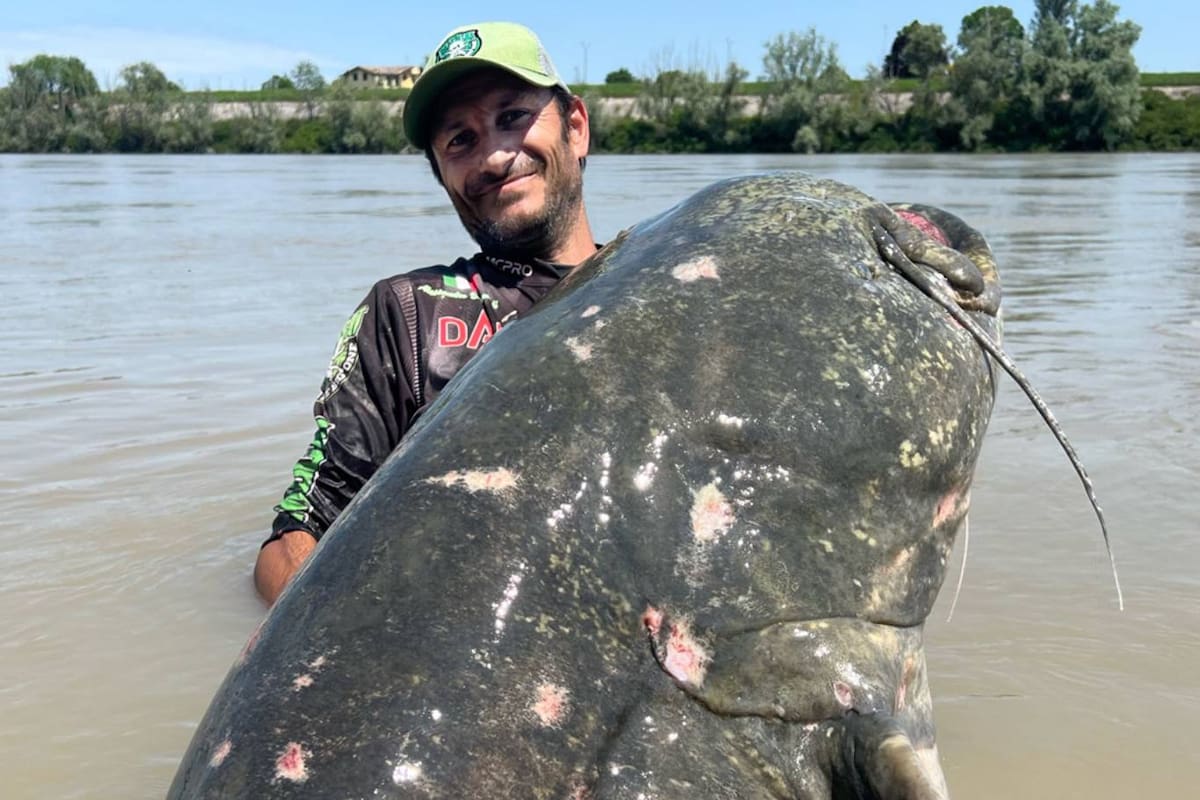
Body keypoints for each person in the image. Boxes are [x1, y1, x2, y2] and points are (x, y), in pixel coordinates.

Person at [254, 21, 999, 605]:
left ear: (576, 126)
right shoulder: (406, 315)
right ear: (443, 174)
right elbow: (294, 536)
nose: (493, 154)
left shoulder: (687, 289)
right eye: (460, 140)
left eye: (514, 116)